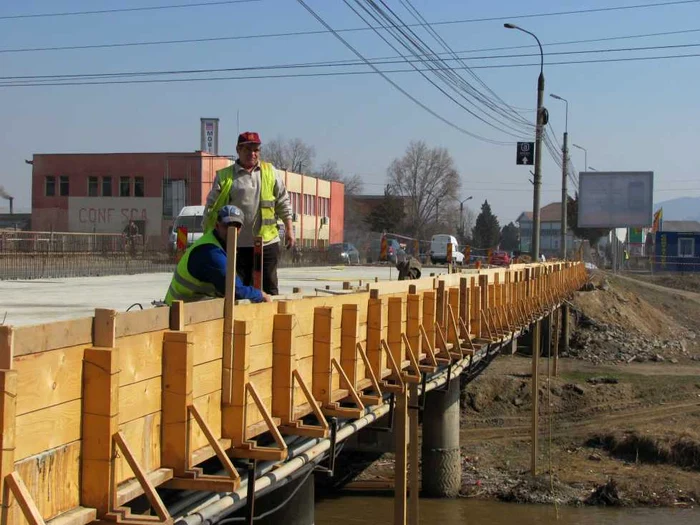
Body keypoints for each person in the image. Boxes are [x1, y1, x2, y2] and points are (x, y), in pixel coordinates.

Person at [203, 131, 293, 296]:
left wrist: (289, 229)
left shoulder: (269, 171)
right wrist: (212, 237)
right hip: (236, 245)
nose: (253, 153)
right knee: (237, 290)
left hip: (267, 242)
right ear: (238, 150)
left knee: (269, 288)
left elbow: (283, 201)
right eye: (248, 149)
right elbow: (211, 209)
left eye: (256, 150)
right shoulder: (225, 176)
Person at [164, 205, 271, 306]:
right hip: (177, 313)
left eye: (236, 226)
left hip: (190, 309)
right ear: (217, 225)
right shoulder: (210, 252)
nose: (232, 230)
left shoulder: (219, 245)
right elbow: (234, 290)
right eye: (227, 226)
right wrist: (259, 295)